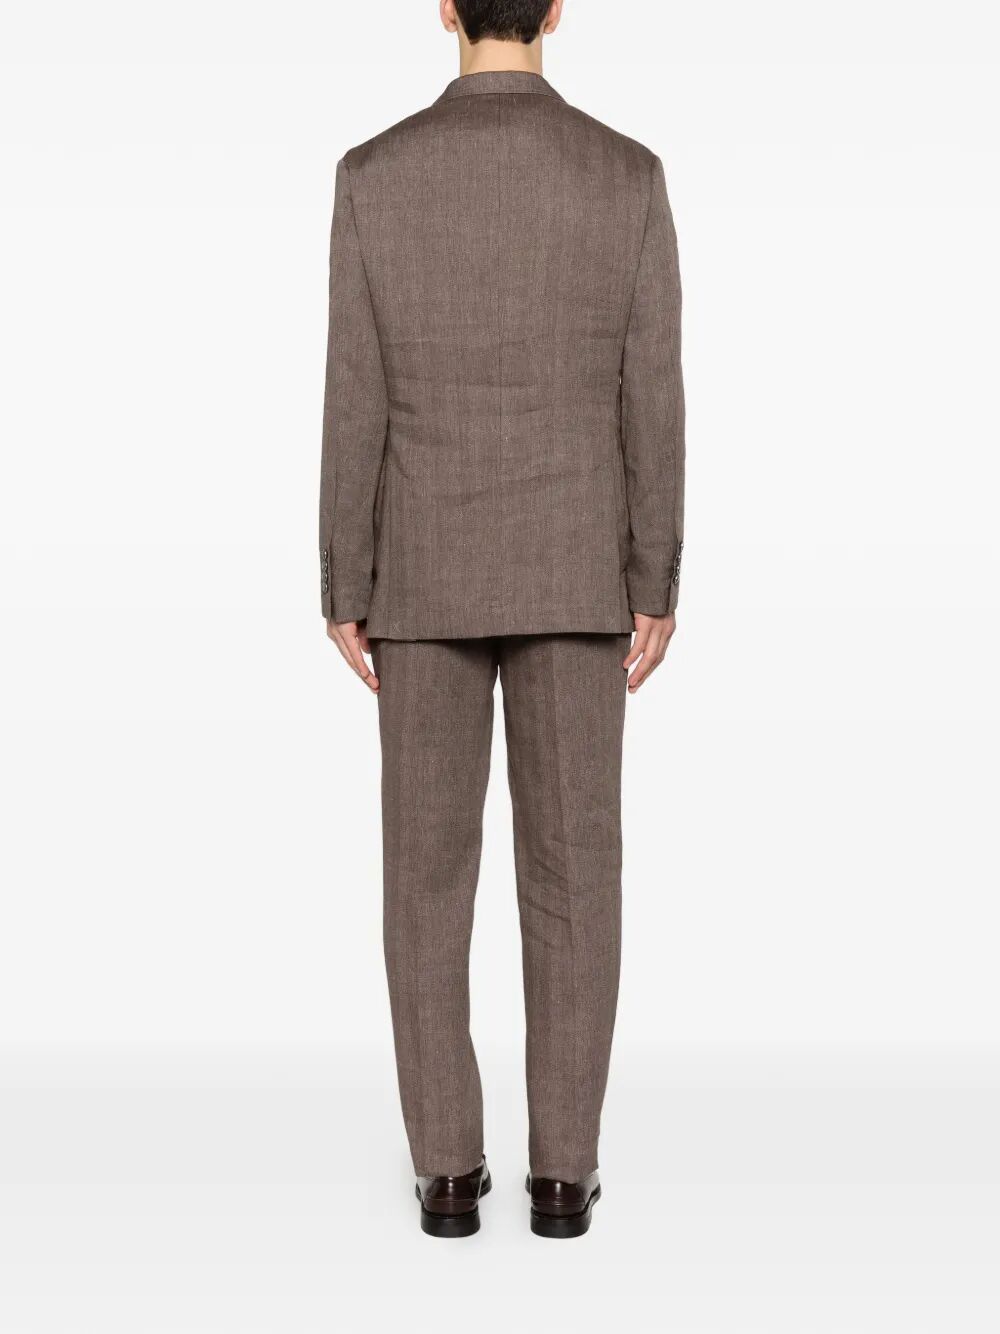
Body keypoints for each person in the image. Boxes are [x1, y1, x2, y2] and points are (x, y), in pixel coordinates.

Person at [319, 0, 684, 1239]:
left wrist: (346, 577)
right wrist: (653, 573)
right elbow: (652, 393)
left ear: (444, 7)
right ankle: (563, 1176)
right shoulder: (625, 177)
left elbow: (354, 393)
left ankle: (444, 1173)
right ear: (557, 9)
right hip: (577, 568)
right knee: (575, 875)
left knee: (423, 884)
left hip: (421, 572)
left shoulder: (373, 177)